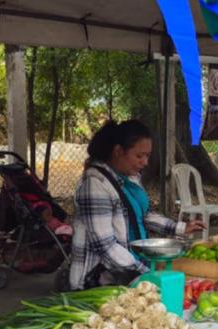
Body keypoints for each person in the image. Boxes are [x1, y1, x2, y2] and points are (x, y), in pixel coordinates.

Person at [69, 120, 205, 291]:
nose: (145, 162)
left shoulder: (131, 178)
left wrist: (179, 228)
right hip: (100, 282)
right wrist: (144, 273)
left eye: (147, 156)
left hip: (130, 271)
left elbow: (144, 214)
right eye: (139, 156)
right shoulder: (95, 185)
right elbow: (106, 246)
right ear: (119, 151)